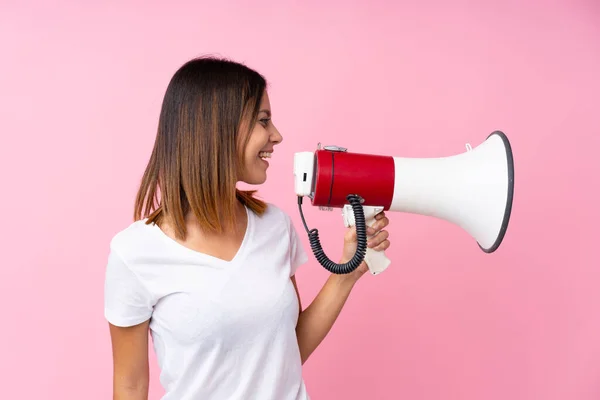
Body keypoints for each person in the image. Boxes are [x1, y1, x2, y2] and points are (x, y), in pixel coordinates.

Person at [104, 56, 391, 400]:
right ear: (216, 129)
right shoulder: (135, 254)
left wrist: (348, 269)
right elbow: (131, 384)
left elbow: (286, 351)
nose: (277, 136)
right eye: (263, 121)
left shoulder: (274, 226)